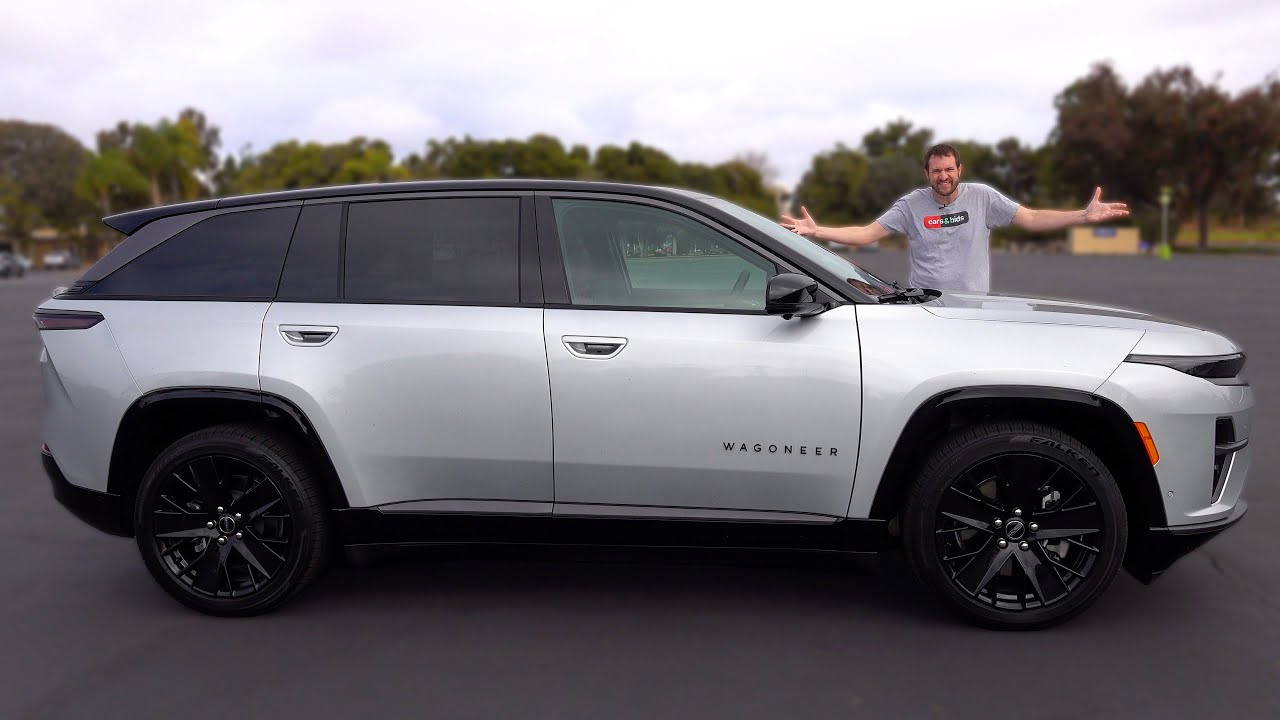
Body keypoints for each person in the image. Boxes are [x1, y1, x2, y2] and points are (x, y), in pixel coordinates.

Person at [779, 143, 1130, 293]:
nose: (943, 176)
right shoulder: (912, 205)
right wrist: (817, 230)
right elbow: (867, 233)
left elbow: (1032, 217)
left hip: (973, 308)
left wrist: (1082, 215)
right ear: (927, 174)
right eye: (936, 171)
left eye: (949, 169)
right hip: (926, 306)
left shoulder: (983, 198)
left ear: (959, 169)